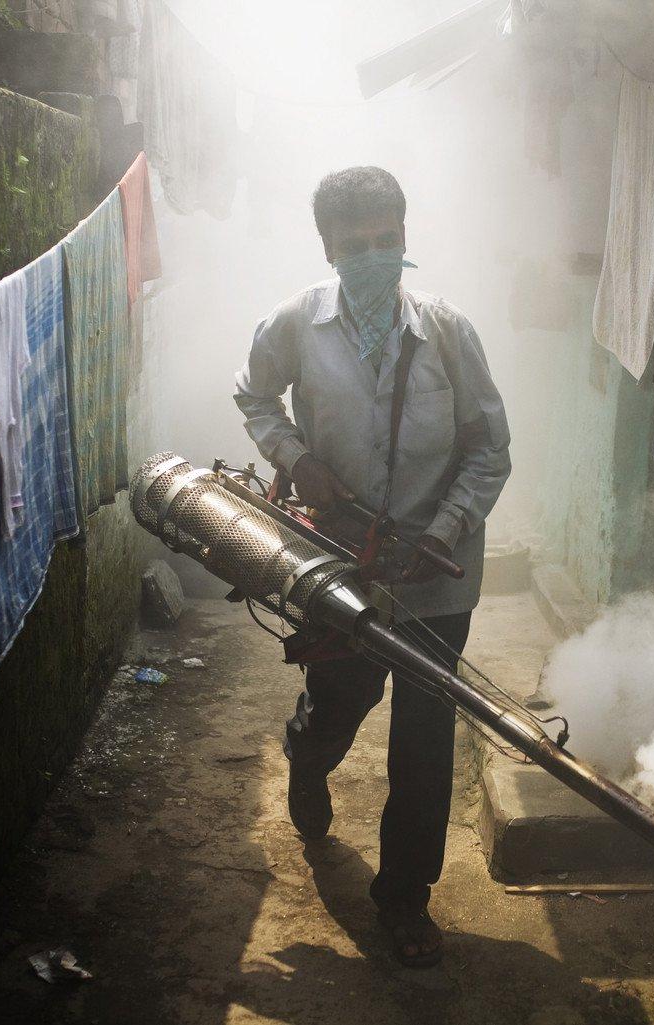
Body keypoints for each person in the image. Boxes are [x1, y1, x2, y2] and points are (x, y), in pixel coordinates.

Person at [234, 166, 511, 968]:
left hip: (435, 572)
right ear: (327, 247)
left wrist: (449, 528)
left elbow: (490, 446)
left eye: (387, 241)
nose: (373, 256)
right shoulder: (295, 323)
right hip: (340, 563)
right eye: (355, 245)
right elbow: (253, 396)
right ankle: (306, 751)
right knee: (341, 701)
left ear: (406, 237)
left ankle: (404, 899)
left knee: (424, 738)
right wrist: (295, 457)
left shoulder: (450, 333)